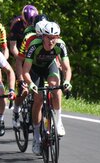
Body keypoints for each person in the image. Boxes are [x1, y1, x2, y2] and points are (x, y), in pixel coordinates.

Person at [22, 22, 72, 152]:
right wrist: (31, 84)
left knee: (55, 88)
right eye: (48, 37)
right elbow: (25, 70)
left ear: (58, 37)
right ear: (43, 37)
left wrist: (67, 81)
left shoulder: (61, 45)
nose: (51, 40)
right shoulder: (34, 46)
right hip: (35, 70)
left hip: (50, 67)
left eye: (54, 37)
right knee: (38, 100)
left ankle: (58, 120)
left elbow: (66, 67)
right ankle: (37, 137)